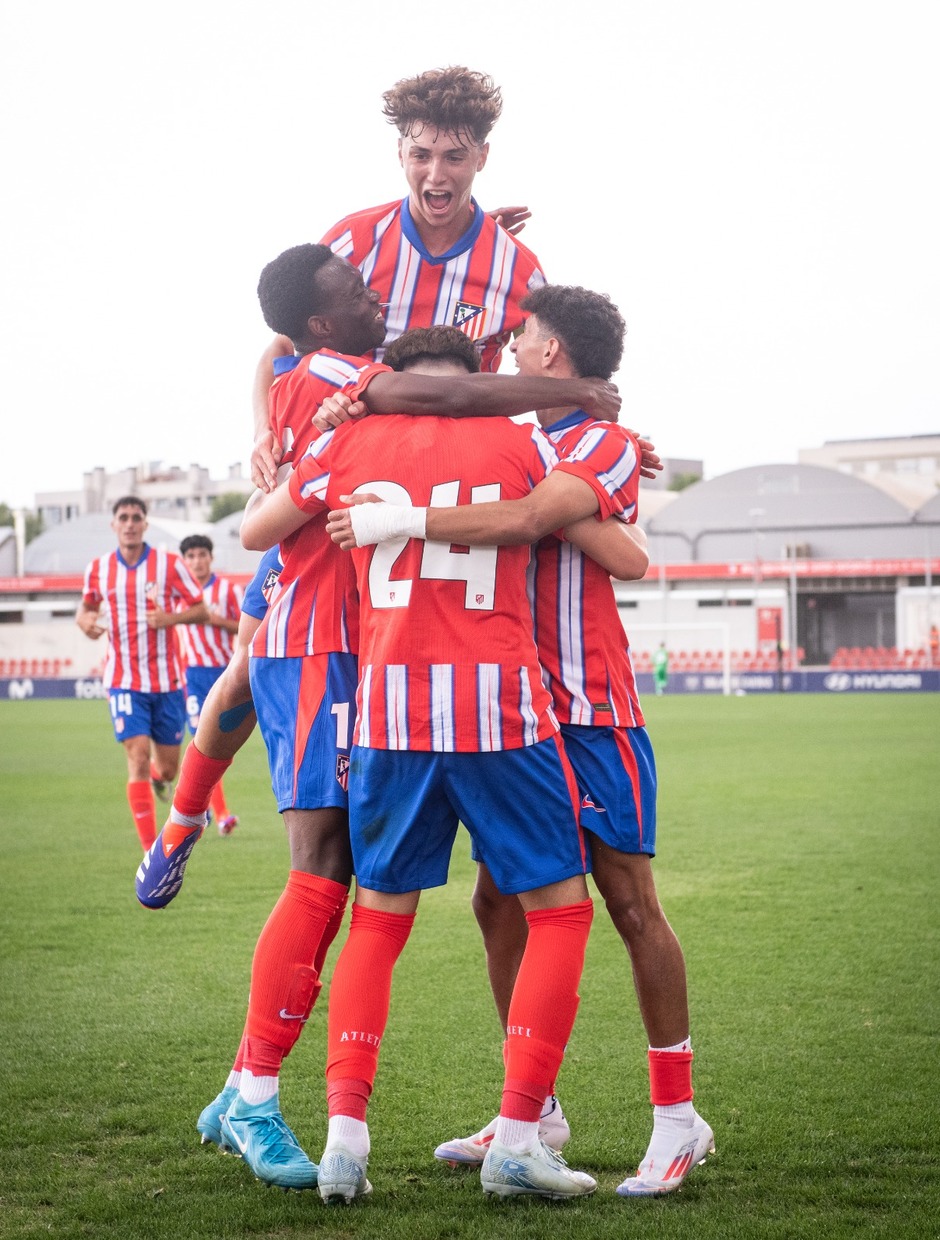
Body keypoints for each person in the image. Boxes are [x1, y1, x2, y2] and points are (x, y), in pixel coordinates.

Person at [170, 246, 621, 1195]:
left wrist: (280, 456)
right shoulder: (521, 440)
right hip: (499, 711)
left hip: (376, 709)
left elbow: (256, 529)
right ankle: (519, 1138)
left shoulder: (341, 433)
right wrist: (604, 449)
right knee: (559, 909)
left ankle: (345, 1141)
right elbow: (603, 544)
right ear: (469, 387)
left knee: (370, 914)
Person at [329, 285, 714, 1199]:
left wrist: (517, 506)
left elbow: (596, 545)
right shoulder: (510, 435)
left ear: (550, 355)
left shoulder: (599, 442)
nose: (508, 349)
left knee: (628, 903)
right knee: (500, 907)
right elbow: (440, 395)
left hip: (589, 710)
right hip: (514, 718)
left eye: (522, 336)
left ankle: (676, 1116)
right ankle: (530, 1113)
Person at [251, 65, 547, 493]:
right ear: (400, 153)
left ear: (482, 157)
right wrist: (264, 431)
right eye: (421, 155)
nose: (436, 174)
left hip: (461, 481)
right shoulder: (351, 243)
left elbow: (548, 374)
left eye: (455, 157)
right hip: (350, 472)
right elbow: (283, 346)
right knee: (269, 549)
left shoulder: (519, 270)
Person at [76, 497, 208, 851]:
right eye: (124, 517)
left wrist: (171, 619)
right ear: (114, 525)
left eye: (136, 517)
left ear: (145, 524)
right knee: (135, 755)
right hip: (123, 681)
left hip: (167, 682)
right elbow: (85, 609)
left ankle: (156, 776)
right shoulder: (99, 569)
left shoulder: (169, 565)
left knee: (167, 770)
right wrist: (85, 621)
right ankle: (151, 852)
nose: (130, 523)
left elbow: (201, 610)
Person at [177, 534, 243, 834]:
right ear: (184, 561)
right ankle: (221, 815)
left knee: (219, 744)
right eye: (190, 556)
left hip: (224, 673)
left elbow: (246, 626)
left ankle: (160, 773)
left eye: (201, 554)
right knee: (203, 744)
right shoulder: (178, 594)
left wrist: (215, 620)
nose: (196, 561)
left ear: (210, 557)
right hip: (193, 676)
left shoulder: (227, 590)